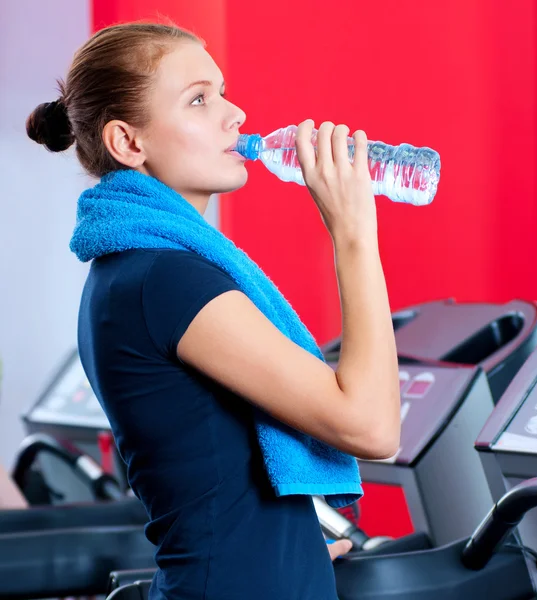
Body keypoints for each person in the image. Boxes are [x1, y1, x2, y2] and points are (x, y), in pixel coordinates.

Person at [26, 21, 401, 600]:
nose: (236, 114)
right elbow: (372, 427)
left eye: (222, 92)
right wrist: (353, 234)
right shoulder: (165, 280)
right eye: (199, 99)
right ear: (129, 143)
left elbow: (209, 477)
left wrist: (285, 542)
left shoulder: (138, 271)